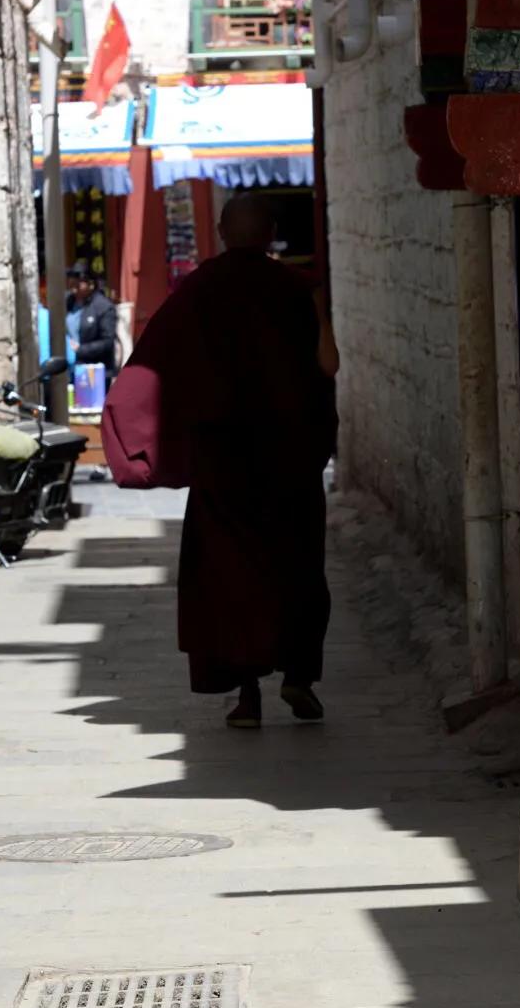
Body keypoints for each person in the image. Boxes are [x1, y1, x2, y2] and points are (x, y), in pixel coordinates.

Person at [101, 193, 337, 727]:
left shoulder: (200, 290)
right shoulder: (298, 291)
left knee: (229, 577)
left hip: (226, 462)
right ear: (273, 232)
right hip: (291, 458)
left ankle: (247, 696)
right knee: (297, 568)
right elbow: (329, 364)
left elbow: (154, 365)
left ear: (222, 231)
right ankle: (299, 677)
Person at [66, 261, 119, 377]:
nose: (74, 285)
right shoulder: (68, 303)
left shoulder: (103, 307)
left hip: (95, 372)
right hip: (71, 369)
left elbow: (107, 342)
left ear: (91, 284)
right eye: (72, 280)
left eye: (79, 282)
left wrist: (80, 350)